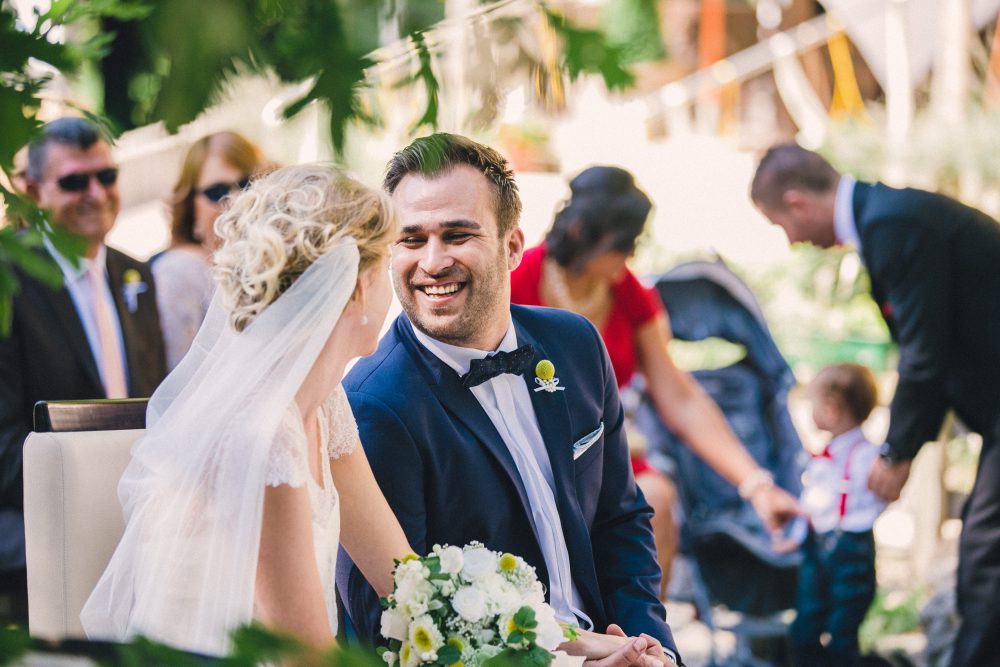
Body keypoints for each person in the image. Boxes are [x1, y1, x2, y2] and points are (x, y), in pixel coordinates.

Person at [340, 133, 682, 666]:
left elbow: (620, 519)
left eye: (457, 234)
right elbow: (388, 631)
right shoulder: (375, 407)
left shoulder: (576, 343)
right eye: (412, 239)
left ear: (513, 246)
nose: (433, 261)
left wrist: (650, 649)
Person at [80, 164, 412, 657]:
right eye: (384, 267)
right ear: (359, 286)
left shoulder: (324, 404)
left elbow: (401, 575)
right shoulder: (264, 435)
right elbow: (304, 655)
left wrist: (492, 631)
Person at [750, 143, 1000, 667]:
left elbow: (924, 354)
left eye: (781, 226)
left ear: (797, 202)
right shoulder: (884, 218)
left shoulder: (893, 224)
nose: (792, 241)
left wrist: (897, 451)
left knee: (985, 560)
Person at [511, 166, 800, 595]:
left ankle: (642, 631)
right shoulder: (516, 282)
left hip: (604, 458)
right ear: (580, 231)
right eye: (623, 244)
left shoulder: (627, 293)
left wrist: (756, 485)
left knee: (656, 499)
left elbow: (680, 397)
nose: (629, 256)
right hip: (526, 455)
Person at [0, 117, 166, 619]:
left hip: (139, 529)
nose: (96, 193)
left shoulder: (134, 274)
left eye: (106, 176)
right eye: (74, 181)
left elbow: (152, 406)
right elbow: (4, 442)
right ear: (33, 192)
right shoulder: (8, 282)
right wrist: (96, 498)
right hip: (40, 536)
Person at [789, 363, 885, 666]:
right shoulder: (823, 456)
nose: (810, 412)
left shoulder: (868, 456)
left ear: (831, 409)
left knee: (843, 626)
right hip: (818, 547)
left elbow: (878, 497)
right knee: (806, 622)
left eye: (812, 404)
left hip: (851, 548)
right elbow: (814, 502)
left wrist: (854, 522)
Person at [154, 131, 269, 370]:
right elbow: (181, 377)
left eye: (246, 184)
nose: (235, 200)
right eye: (217, 192)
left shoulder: (266, 264)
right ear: (190, 205)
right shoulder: (180, 271)